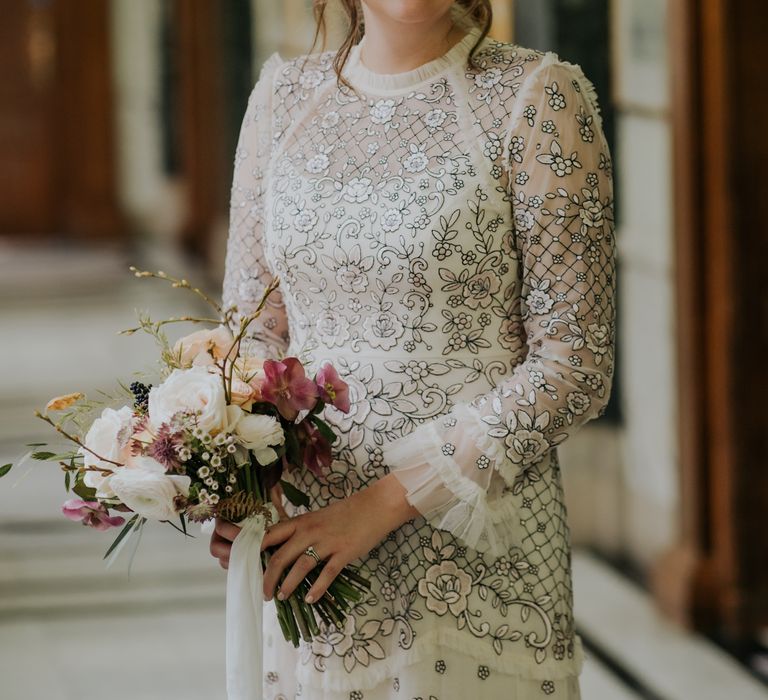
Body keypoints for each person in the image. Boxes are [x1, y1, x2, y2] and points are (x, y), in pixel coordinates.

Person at [210, 1, 615, 697]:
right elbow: (254, 332)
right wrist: (235, 479)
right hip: (311, 552)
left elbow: (573, 364)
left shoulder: (537, 96)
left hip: (476, 556)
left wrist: (382, 504)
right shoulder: (282, 99)